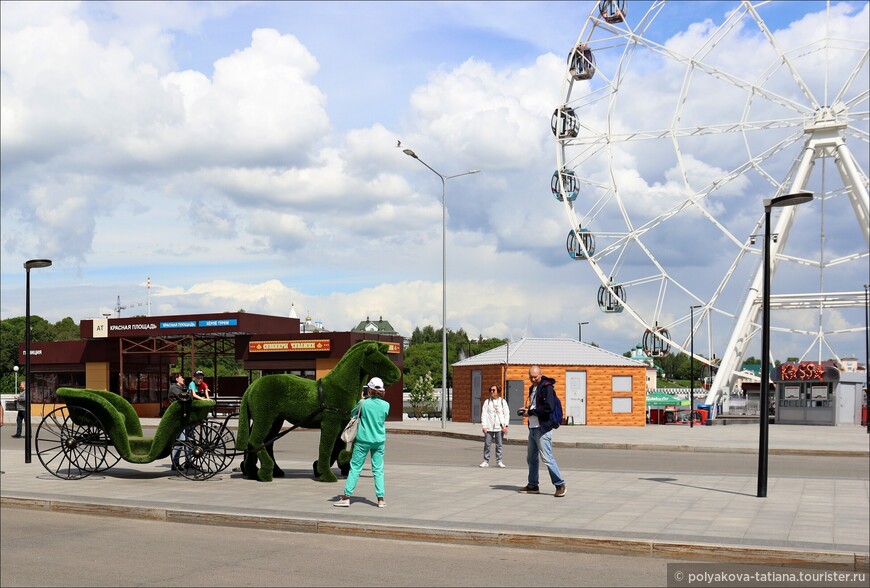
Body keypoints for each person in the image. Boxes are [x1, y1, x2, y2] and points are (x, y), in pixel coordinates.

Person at [334, 376, 390, 508]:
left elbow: (354, 413)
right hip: (379, 440)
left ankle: (347, 497)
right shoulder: (386, 405)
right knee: (378, 469)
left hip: (363, 440)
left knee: (355, 468)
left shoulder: (363, 403)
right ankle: (381, 499)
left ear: (369, 389)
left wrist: (363, 399)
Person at [517, 365, 566, 497]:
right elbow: (536, 405)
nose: (533, 379)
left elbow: (548, 407)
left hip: (543, 428)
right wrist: (527, 408)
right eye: (531, 377)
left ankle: (560, 484)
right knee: (531, 458)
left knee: (547, 458)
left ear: (541, 374)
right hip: (533, 427)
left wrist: (531, 412)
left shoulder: (547, 387)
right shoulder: (533, 388)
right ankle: (533, 485)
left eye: (535, 376)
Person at [480, 384, 509, 468]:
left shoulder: (502, 402)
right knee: (487, 444)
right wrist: (484, 425)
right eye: (491, 390)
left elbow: (507, 414)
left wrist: (505, 425)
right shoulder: (487, 402)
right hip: (489, 427)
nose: (492, 392)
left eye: (493, 390)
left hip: (499, 427)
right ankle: (486, 461)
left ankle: (499, 461)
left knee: (499, 445)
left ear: (498, 391)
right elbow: (484, 414)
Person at [168, 372, 190, 470]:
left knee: (189, 440)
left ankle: (189, 462)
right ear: (176, 379)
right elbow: (184, 397)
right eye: (181, 377)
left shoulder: (182, 387)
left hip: (185, 417)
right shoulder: (174, 388)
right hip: (179, 417)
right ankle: (175, 462)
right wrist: (190, 394)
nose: (183, 378)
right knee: (181, 441)